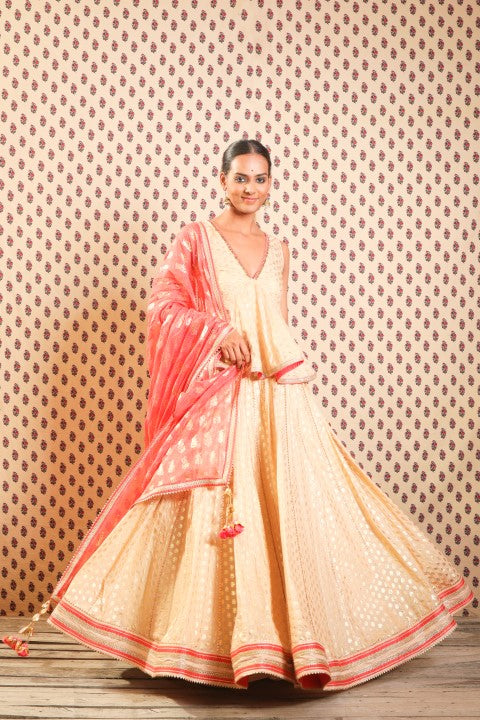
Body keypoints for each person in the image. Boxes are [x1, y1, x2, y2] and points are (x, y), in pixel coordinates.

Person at [4, 139, 473, 691]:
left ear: (271, 184)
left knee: (301, 510)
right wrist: (218, 332)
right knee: (204, 513)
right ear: (221, 180)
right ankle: (189, 647)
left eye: (261, 179)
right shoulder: (197, 239)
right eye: (242, 178)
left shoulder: (280, 249)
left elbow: (275, 322)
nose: (252, 188)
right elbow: (162, 304)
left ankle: (289, 646)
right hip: (221, 396)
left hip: (281, 399)